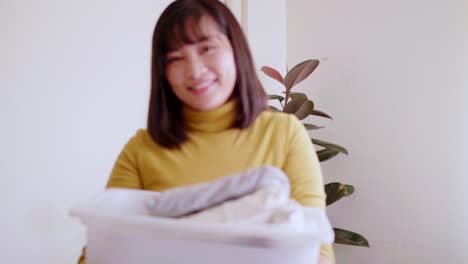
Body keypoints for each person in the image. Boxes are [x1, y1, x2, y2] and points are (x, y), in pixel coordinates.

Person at [78, 0, 335, 263]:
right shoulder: (141, 150)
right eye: (176, 58)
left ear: (236, 50)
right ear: (162, 72)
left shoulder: (284, 134)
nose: (195, 70)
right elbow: (101, 251)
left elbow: (318, 252)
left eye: (207, 48)